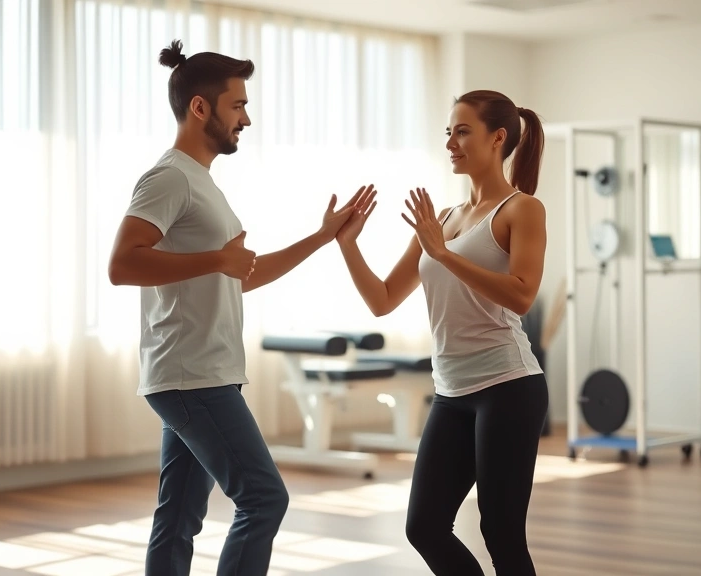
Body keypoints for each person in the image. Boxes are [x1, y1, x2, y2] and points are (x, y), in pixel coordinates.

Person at [107, 40, 367, 576]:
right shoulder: (169, 177)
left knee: (178, 515)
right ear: (201, 107)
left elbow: (239, 275)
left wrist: (321, 238)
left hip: (200, 373)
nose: (246, 118)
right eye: (238, 105)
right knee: (264, 499)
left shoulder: (202, 184)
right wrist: (215, 260)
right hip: (192, 376)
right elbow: (122, 265)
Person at [336, 90, 548, 575]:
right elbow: (383, 299)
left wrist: (445, 253)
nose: (450, 142)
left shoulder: (522, 210)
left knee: (501, 532)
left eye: (462, 130)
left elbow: (521, 294)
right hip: (452, 392)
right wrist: (348, 246)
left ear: (498, 139)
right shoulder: (444, 220)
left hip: (508, 387)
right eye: (448, 132)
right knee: (424, 526)